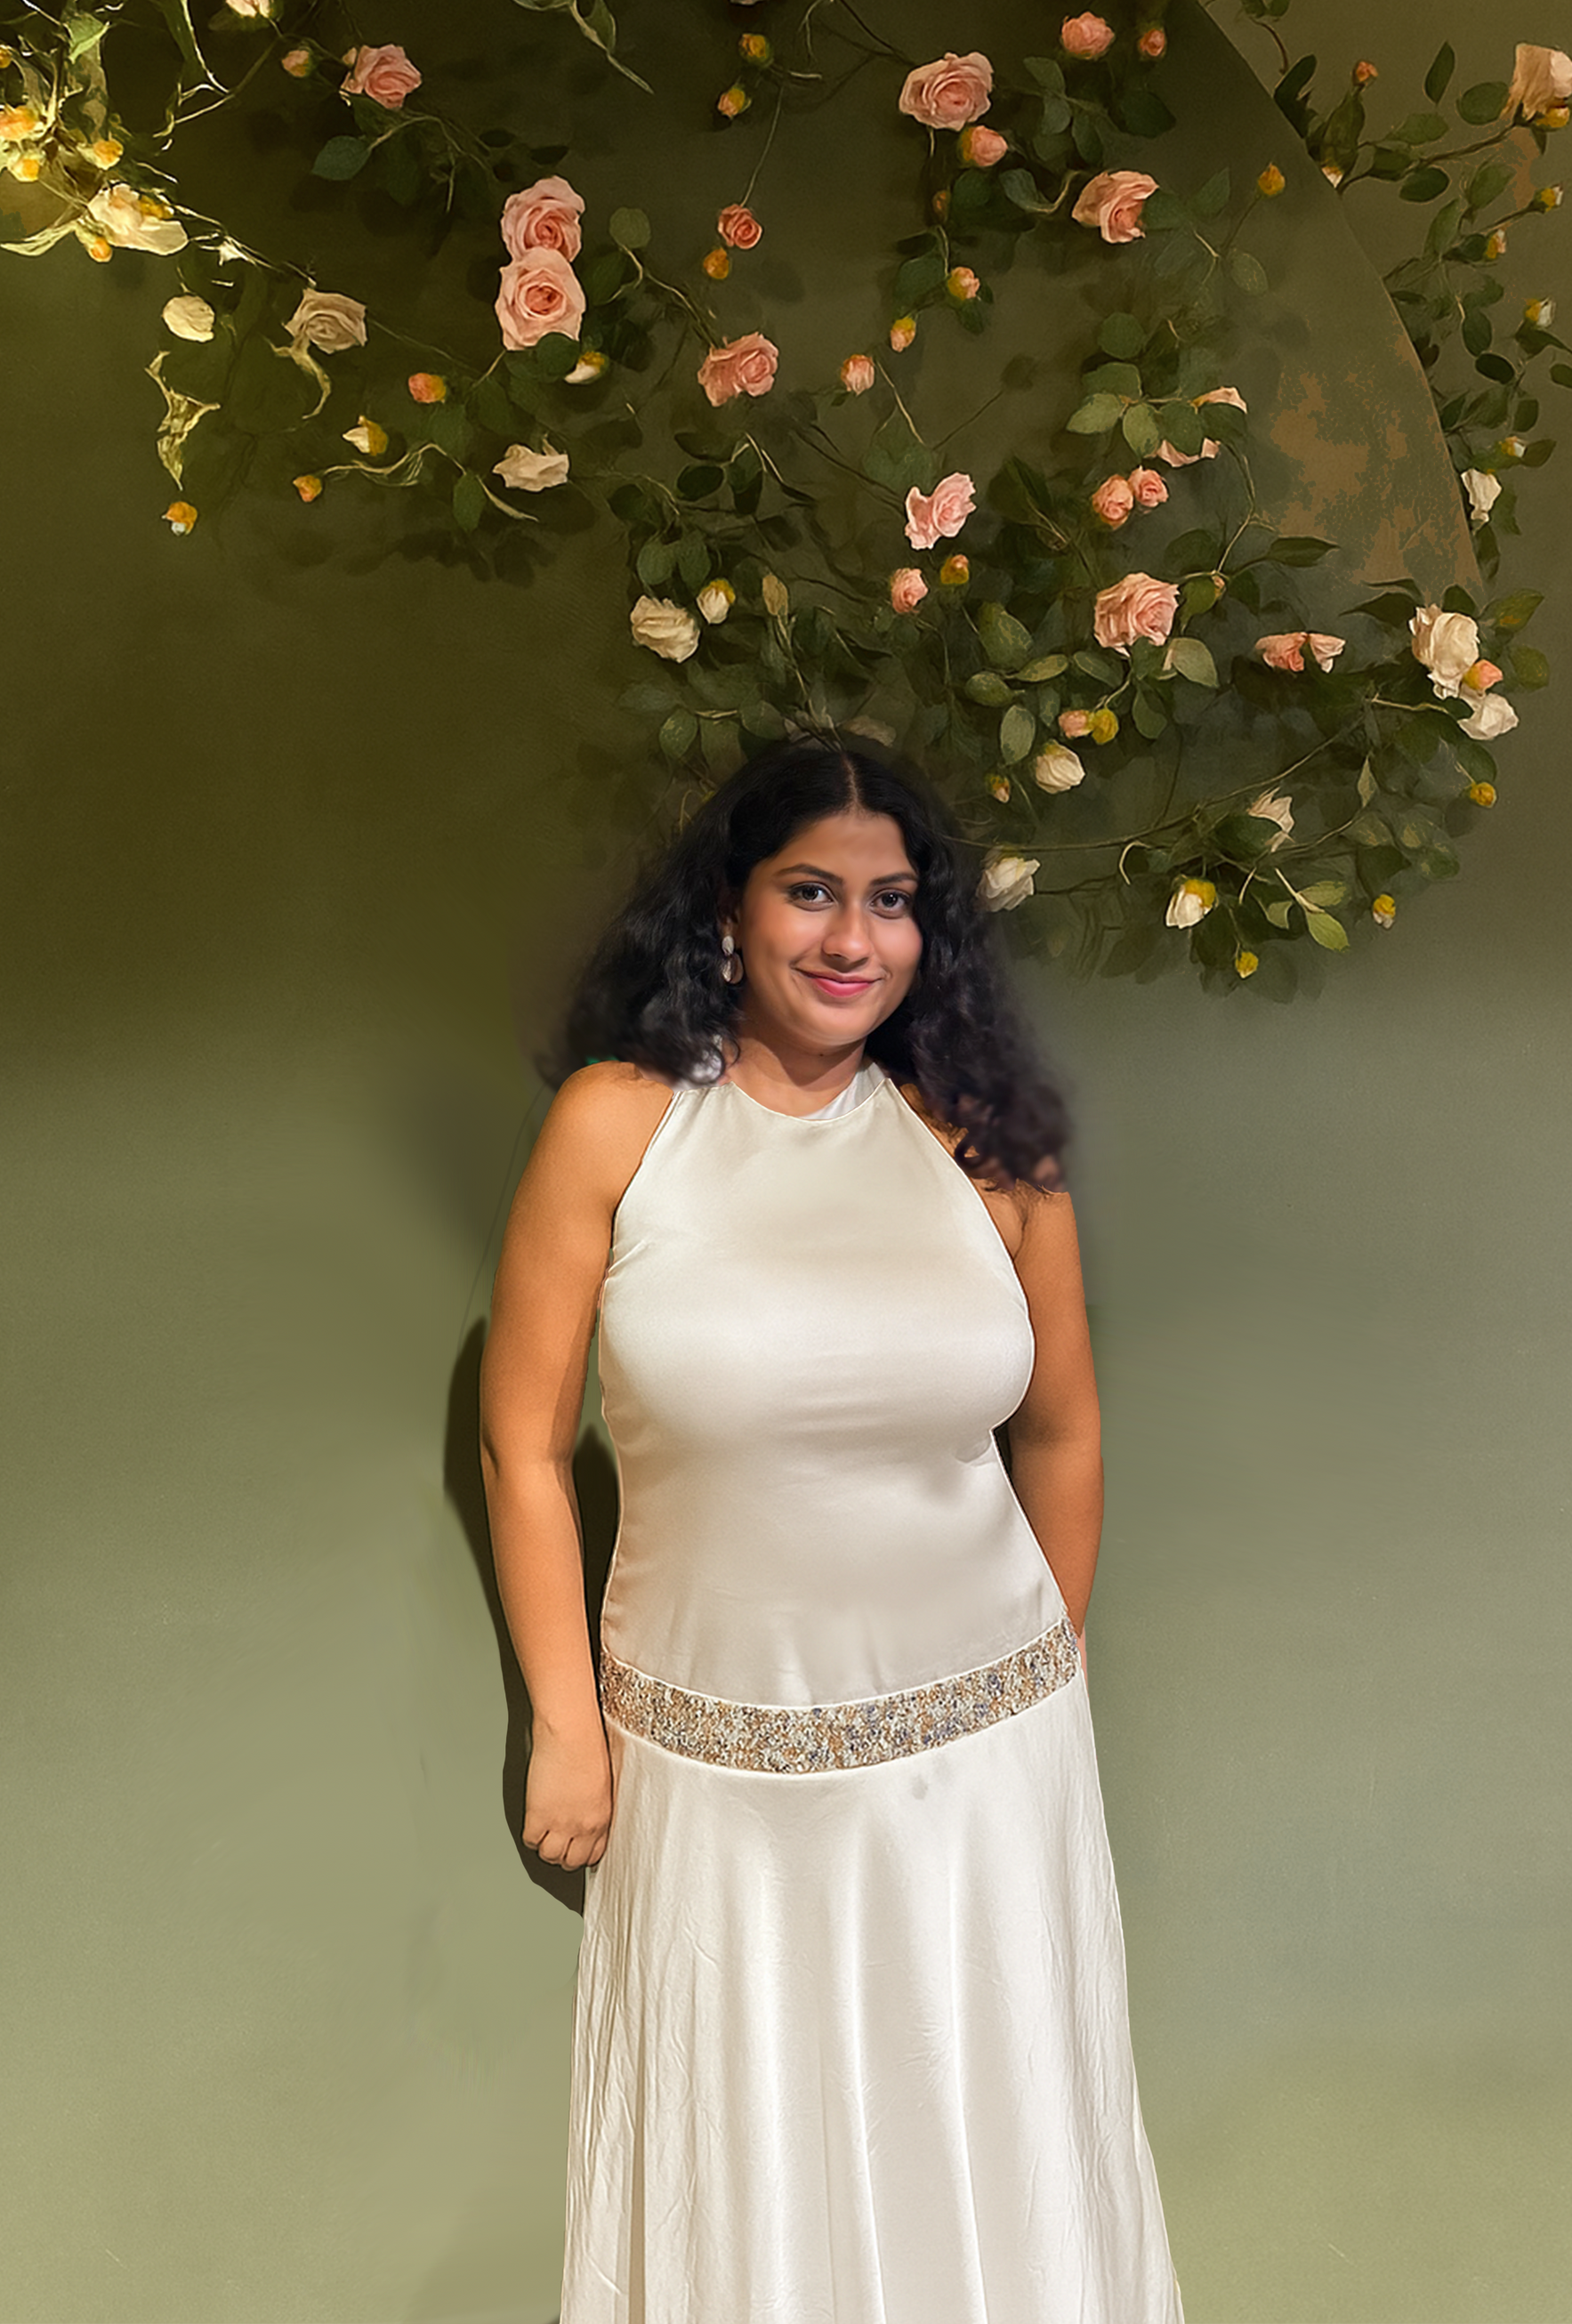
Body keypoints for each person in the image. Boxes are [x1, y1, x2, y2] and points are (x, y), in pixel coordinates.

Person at [480, 732, 1183, 2321]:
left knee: (989, 2146)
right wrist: (564, 1731)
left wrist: (1038, 1678)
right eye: (810, 891)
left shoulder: (992, 1146)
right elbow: (522, 1446)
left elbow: (1060, 1431)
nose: (851, 938)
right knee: (752, 2176)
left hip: (985, 1772)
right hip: (719, 1781)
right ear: (728, 910)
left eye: (892, 900)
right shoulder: (618, 1123)